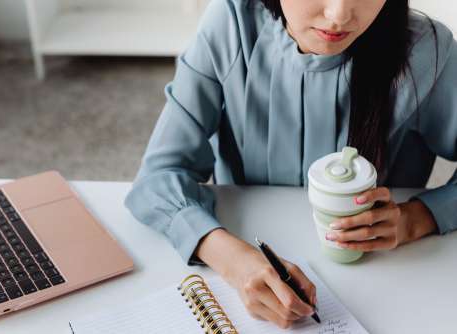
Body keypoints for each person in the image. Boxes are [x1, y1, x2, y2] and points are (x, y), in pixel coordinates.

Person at [125, 0, 457, 329]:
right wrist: (233, 261)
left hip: (392, 281)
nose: (339, 15)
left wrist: (416, 219)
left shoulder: (427, 49)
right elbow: (158, 177)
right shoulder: (231, 23)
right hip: (245, 262)